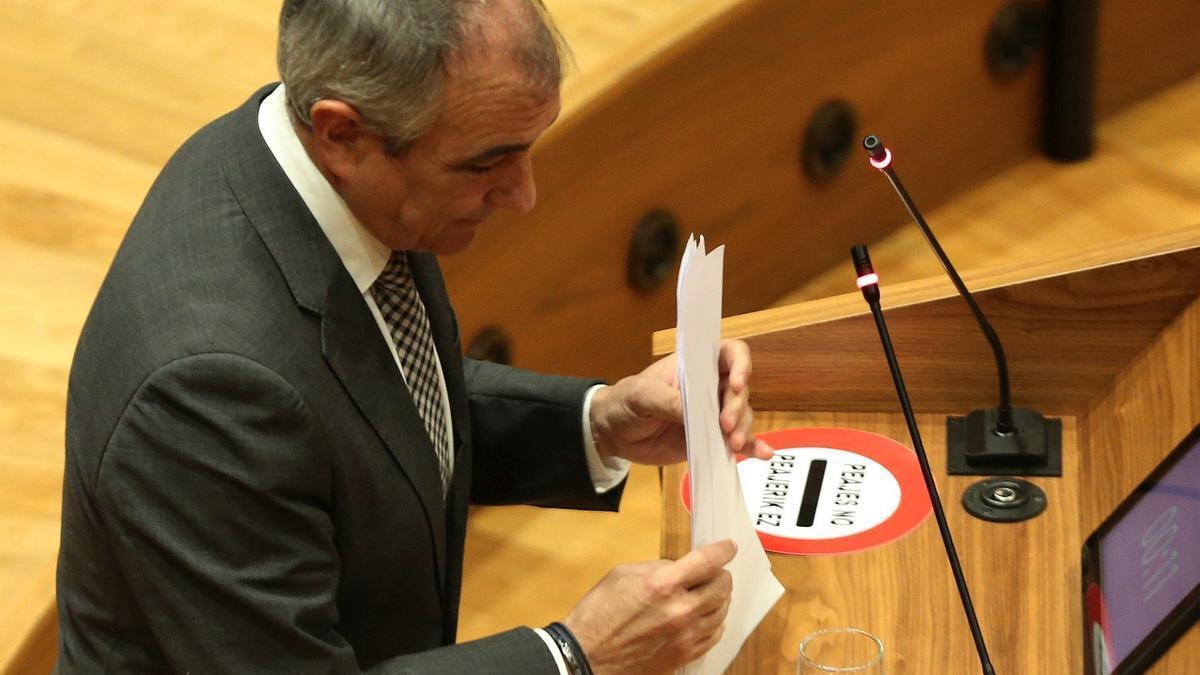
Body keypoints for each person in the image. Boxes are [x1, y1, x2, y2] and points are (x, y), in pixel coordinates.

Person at [55, 1, 771, 673]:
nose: (523, 196)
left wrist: (599, 423)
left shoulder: (313, 170)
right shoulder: (204, 394)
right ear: (342, 135)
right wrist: (571, 655)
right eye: (486, 164)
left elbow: (378, 400)